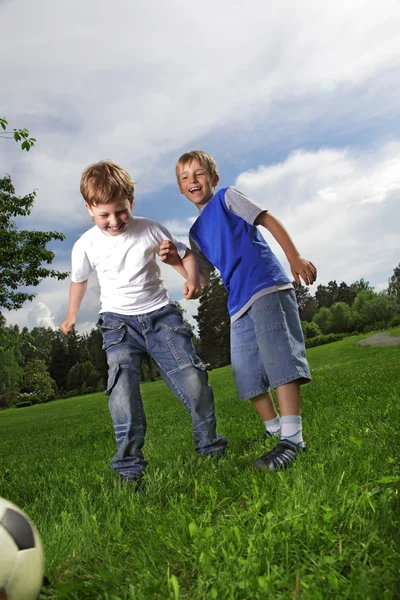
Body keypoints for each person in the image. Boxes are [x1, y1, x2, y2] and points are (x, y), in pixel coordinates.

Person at [60, 160, 227, 484]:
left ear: (131, 203)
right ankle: (129, 470)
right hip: (118, 326)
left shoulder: (150, 228)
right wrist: (70, 315)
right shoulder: (86, 244)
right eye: (103, 214)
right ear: (89, 209)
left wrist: (189, 279)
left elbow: (185, 257)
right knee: (122, 392)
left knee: (194, 382)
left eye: (120, 212)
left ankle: (210, 447)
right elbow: (79, 280)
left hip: (161, 317)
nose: (113, 221)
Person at [163, 150, 316, 471]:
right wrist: (178, 264)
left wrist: (294, 257)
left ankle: (293, 439)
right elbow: (201, 279)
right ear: (180, 188)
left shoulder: (227, 198)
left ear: (213, 179)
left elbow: (268, 219)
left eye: (198, 174)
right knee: (246, 375)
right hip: (238, 304)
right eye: (185, 177)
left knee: (280, 360)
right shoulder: (195, 234)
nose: (193, 181)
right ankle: (273, 429)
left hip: (266, 286)